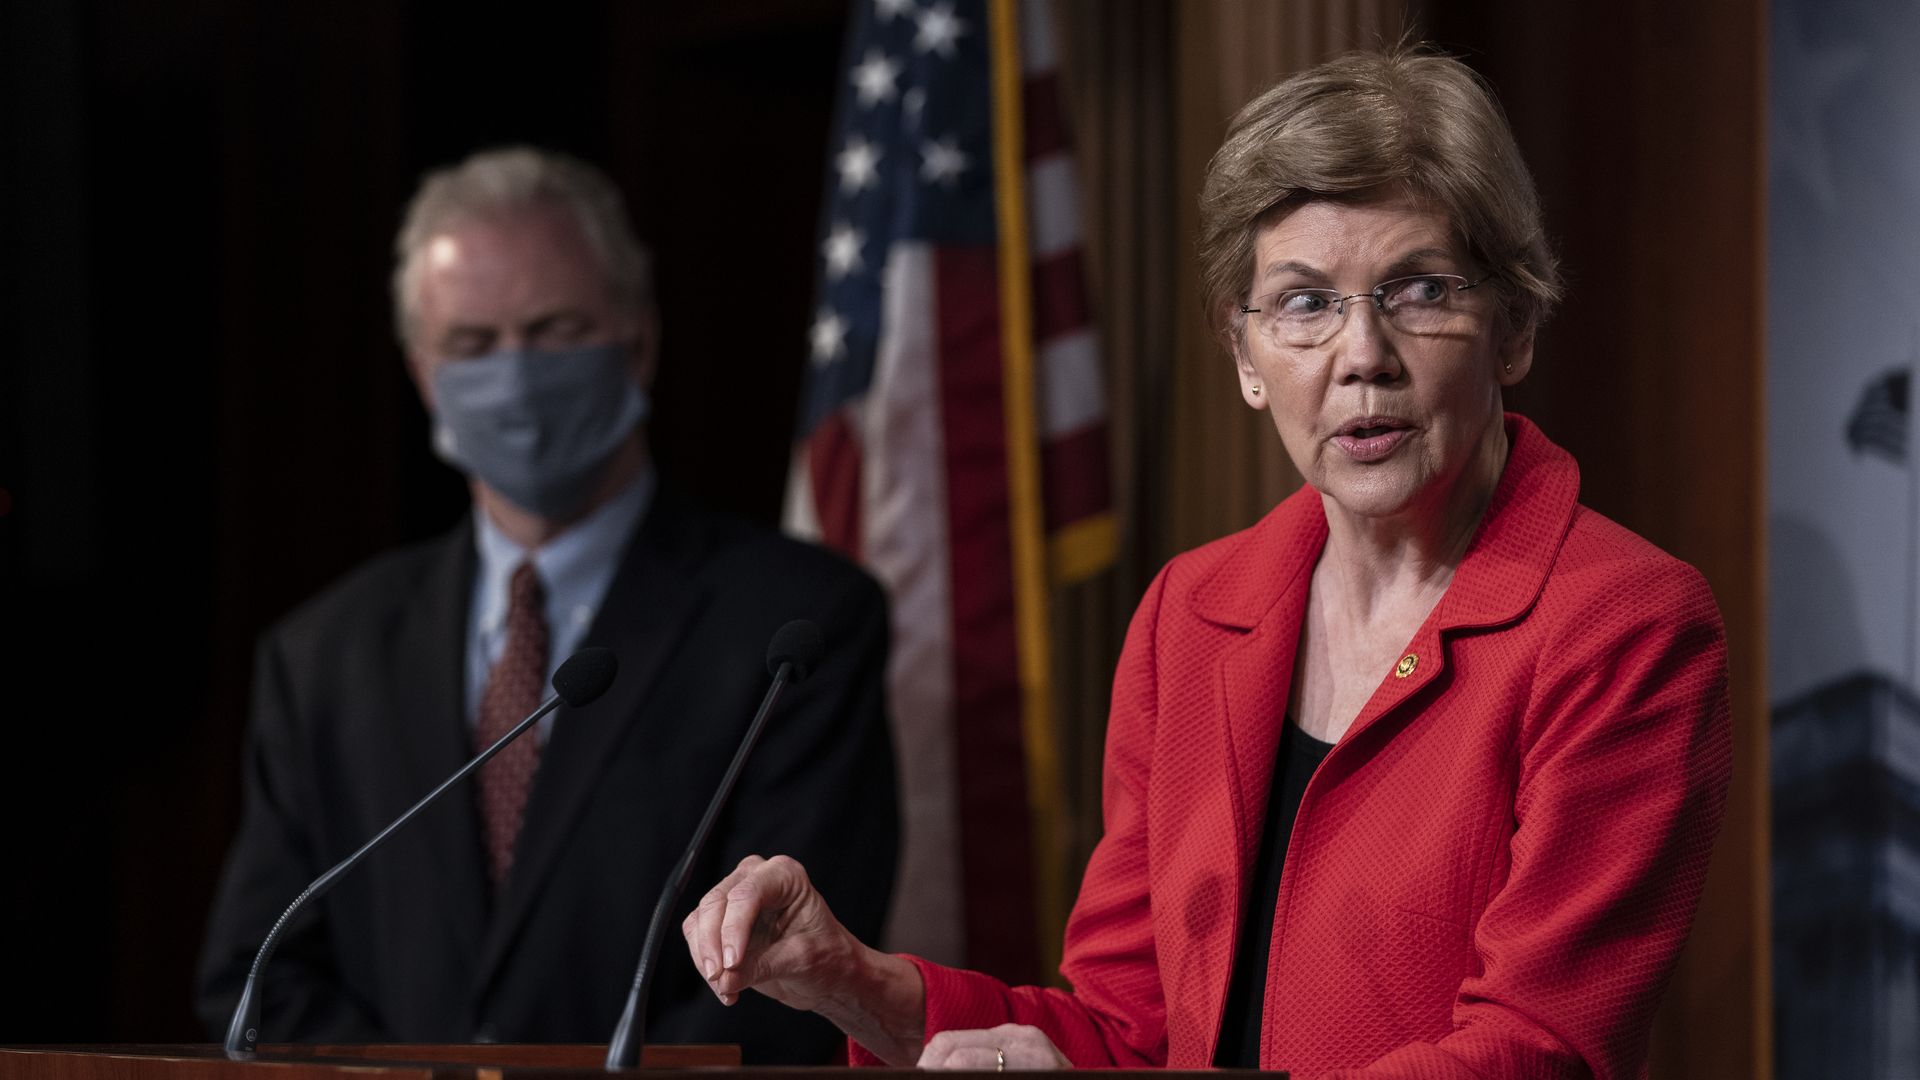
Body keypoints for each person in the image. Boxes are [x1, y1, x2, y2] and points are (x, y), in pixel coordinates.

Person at [678, 47, 1732, 1079]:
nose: (1362, 355)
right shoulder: (1192, 612)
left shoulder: (1623, 623)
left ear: (1513, 330)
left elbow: (1535, 1050)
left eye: (1418, 290)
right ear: (1246, 360)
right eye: (1306, 303)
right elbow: (1128, 1033)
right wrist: (856, 981)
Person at [195, 147, 898, 1063]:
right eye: (474, 345)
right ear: (423, 375)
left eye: (555, 329)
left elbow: (793, 981)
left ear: (639, 341)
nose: (516, 374)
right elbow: (259, 975)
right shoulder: (325, 651)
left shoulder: (798, 626)